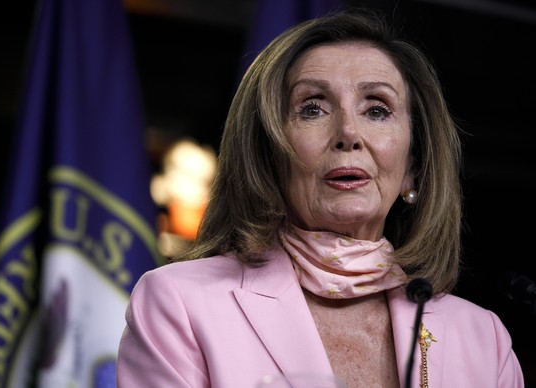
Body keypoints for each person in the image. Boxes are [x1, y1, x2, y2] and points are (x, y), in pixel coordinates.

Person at [116, 9, 525, 388]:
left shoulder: (481, 340)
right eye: (312, 109)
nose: (349, 132)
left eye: (377, 110)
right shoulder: (180, 303)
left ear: (413, 167)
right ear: (269, 155)